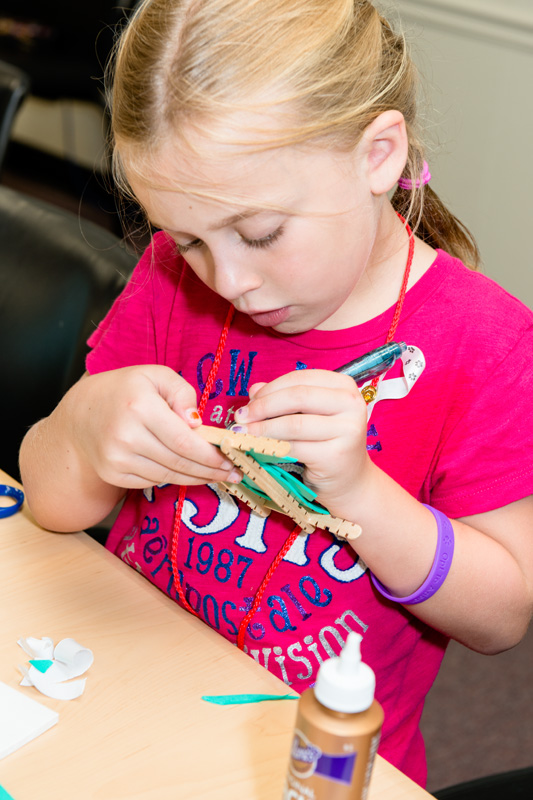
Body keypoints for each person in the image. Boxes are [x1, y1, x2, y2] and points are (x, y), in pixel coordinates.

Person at [20, 0, 533, 787]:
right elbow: (52, 504)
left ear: (378, 157)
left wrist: (359, 492)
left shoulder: (486, 346)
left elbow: (501, 617)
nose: (229, 279)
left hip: (315, 756)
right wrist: (83, 432)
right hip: (131, 694)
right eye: (189, 238)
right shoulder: (170, 280)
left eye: (259, 233)